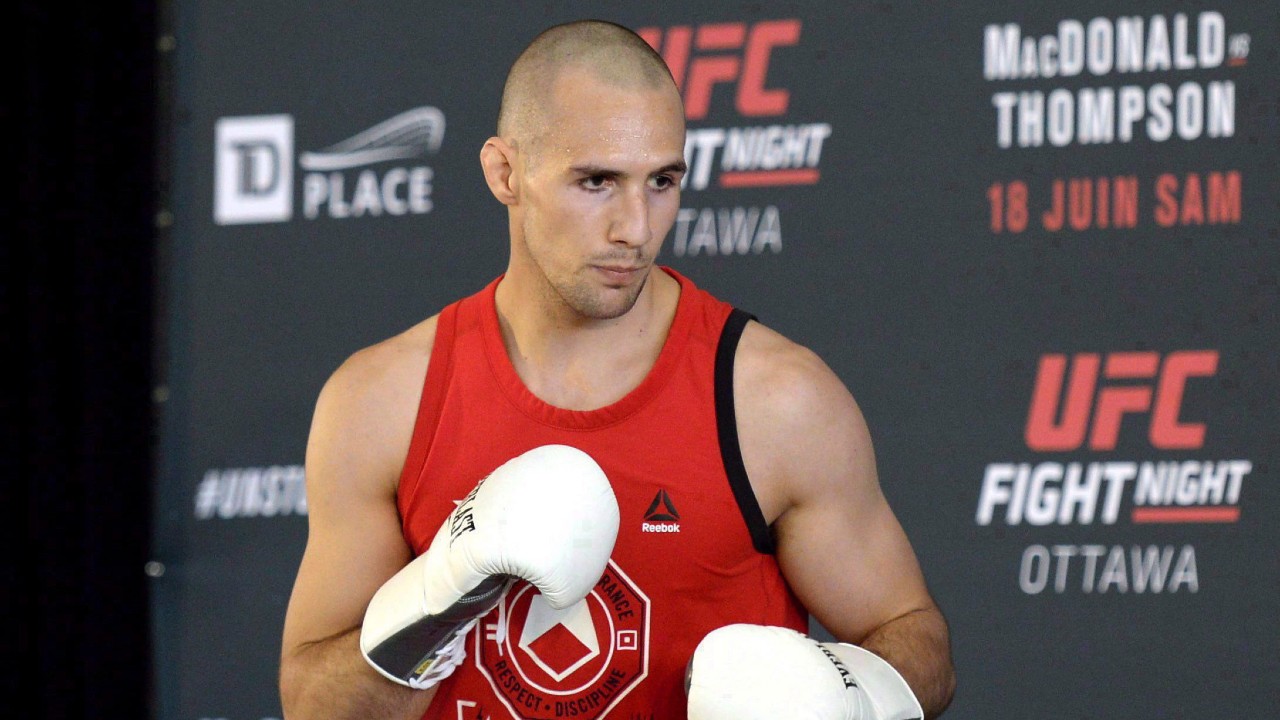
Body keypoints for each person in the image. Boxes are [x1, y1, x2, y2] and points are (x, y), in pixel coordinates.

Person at [279, 18, 955, 720]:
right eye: (597, 181)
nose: (636, 227)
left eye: (662, 181)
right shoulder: (383, 402)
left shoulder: (774, 401)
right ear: (504, 172)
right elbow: (313, 707)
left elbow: (916, 639)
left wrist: (845, 696)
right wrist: (440, 594)